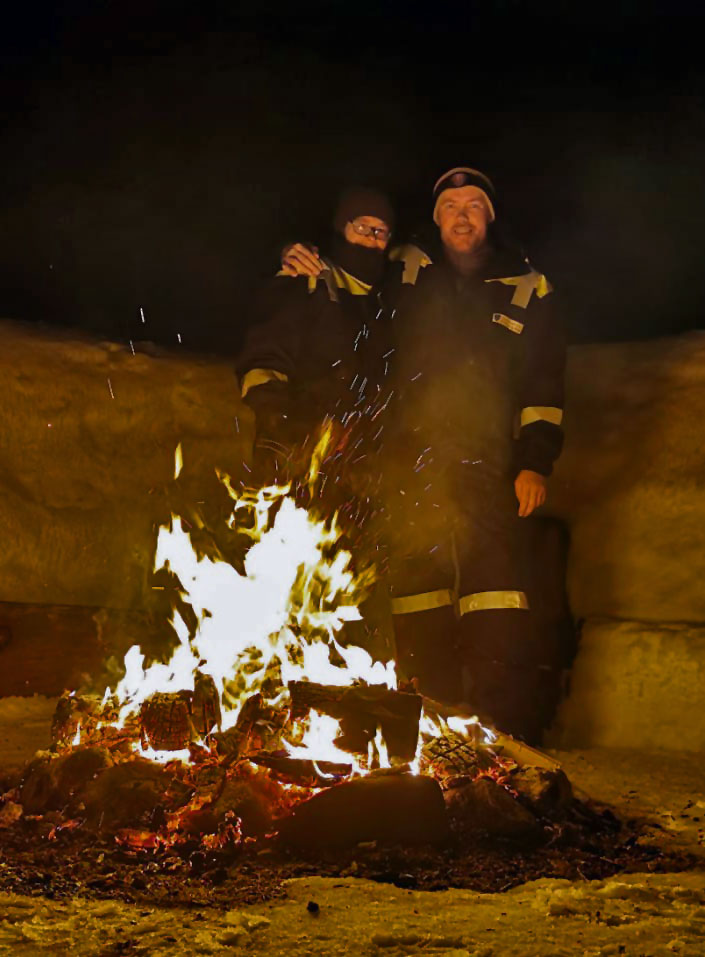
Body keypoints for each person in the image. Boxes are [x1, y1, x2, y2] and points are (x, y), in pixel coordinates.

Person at [282, 168, 565, 742]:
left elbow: (544, 384)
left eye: (474, 205)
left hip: (490, 461)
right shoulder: (406, 269)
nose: (462, 216)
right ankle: (430, 726)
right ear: (436, 221)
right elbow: (352, 277)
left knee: (496, 591)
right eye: (450, 207)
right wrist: (295, 254)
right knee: (416, 591)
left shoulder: (527, 286)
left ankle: (502, 731)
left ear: (490, 217)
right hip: (406, 460)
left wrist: (535, 460)